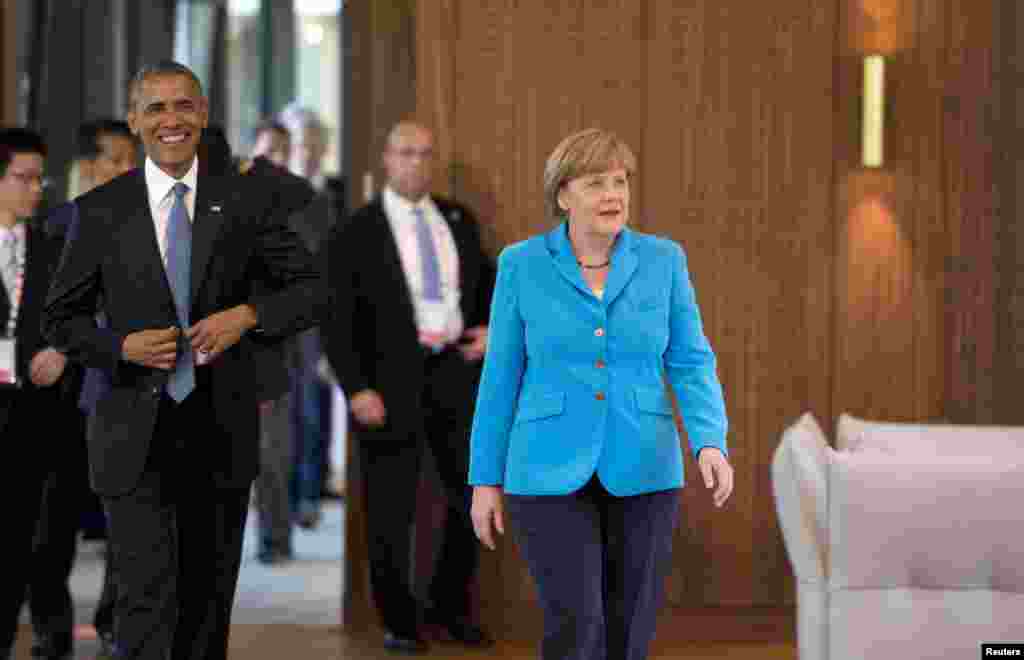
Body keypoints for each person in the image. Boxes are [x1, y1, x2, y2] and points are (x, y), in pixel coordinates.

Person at [41, 61, 322, 660]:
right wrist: (119, 346)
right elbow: (59, 321)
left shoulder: (245, 200)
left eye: (184, 105)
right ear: (136, 121)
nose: (172, 119)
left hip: (219, 431)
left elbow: (311, 289)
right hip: (131, 436)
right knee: (145, 604)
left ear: (204, 113)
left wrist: (247, 316)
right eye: (157, 108)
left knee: (207, 604)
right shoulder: (100, 211)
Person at [467, 128, 735, 660]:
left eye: (620, 181)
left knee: (627, 628)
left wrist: (710, 440)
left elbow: (689, 359)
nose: (614, 194)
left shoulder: (664, 261)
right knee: (577, 619)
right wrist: (484, 479)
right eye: (596, 183)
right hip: (543, 468)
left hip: (644, 465)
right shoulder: (522, 265)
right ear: (564, 195)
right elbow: (501, 376)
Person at [325, 120, 495, 654]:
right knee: (391, 507)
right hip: (386, 383)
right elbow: (336, 318)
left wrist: (493, 332)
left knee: (468, 496)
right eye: (406, 153)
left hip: (454, 374)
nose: (417, 163)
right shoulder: (357, 229)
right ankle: (399, 620)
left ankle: (451, 610)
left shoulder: (457, 219)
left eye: (425, 154)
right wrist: (355, 389)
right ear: (386, 161)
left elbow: (489, 287)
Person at [30, 118, 138, 660]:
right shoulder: (56, 225)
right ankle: (52, 629)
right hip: (59, 400)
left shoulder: (143, 227)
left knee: (126, 522)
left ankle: (115, 622)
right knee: (53, 525)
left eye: (130, 159)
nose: (126, 169)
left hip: (119, 389)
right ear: (88, 165)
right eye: (115, 159)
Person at [0, 128, 76, 660]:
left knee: (16, 543)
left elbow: (77, 322)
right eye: (22, 179)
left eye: (39, 180)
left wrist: (62, 352)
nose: (34, 190)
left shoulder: (54, 249)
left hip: (30, 413)